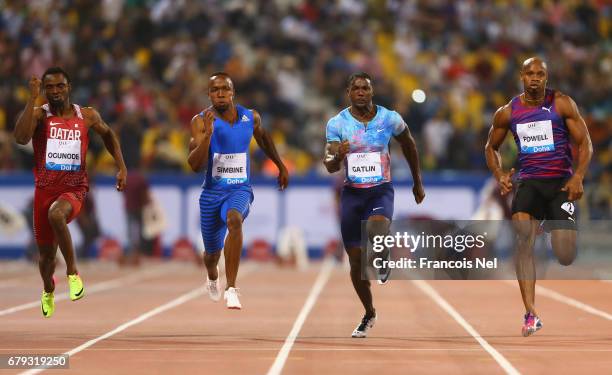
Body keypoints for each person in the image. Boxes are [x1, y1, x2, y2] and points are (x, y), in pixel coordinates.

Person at [485, 57, 592, 336]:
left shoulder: (562, 103)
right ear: (521, 75)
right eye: (530, 73)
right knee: (523, 240)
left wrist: (578, 175)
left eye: (540, 74)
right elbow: (490, 146)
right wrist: (499, 174)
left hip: (559, 184)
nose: (535, 78)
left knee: (566, 255)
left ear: (547, 76)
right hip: (529, 183)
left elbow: (585, 142)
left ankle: (549, 224)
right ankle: (530, 313)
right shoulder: (508, 112)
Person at [13, 67, 127, 318]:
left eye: (60, 86)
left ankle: (73, 273)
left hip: (74, 188)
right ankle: (48, 289)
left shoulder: (86, 115)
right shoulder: (39, 116)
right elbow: (21, 138)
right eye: (49, 87)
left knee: (57, 215)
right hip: (44, 190)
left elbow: (109, 135)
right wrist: (32, 99)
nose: (55, 91)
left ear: (69, 87)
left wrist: (121, 167)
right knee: (45, 259)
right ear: (44, 90)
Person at [323, 72, 425, 338]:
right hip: (352, 194)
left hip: (380, 191)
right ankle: (369, 312)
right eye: (355, 88)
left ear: (372, 91)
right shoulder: (337, 124)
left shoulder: (389, 118)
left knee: (377, 229)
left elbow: (409, 145)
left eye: (365, 88)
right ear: (349, 93)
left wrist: (417, 181)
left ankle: (382, 256)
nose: (360, 92)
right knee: (356, 263)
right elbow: (330, 165)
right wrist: (338, 155)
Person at [188, 72, 288, 310]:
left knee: (235, 220)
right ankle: (213, 276)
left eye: (225, 88)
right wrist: (208, 136)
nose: (220, 93)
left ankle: (231, 288)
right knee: (211, 255)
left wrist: (280, 165)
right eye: (215, 90)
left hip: (240, 189)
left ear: (233, 92)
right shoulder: (201, 121)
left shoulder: (250, 117)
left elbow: (263, 138)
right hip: (212, 193)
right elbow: (194, 165)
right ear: (209, 94)